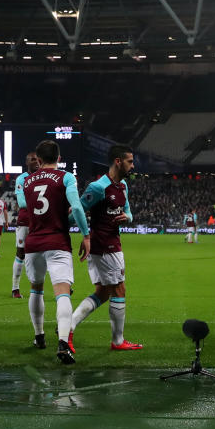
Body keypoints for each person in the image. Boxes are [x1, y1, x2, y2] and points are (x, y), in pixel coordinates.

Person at [22, 140, 90, 365]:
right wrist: (86, 235)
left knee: (36, 289)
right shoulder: (66, 177)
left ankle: (39, 336)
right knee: (62, 292)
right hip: (57, 242)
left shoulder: (27, 181)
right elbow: (77, 207)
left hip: (33, 243)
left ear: (39, 160)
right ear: (59, 158)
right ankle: (62, 343)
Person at [70, 144, 143, 351]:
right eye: (129, 161)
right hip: (105, 245)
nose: (133, 165)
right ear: (118, 162)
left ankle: (69, 325)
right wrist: (84, 235)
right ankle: (118, 341)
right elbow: (77, 210)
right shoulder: (98, 187)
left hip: (110, 243)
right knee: (119, 289)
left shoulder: (123, 187)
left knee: (102, 292)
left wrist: (126, 217)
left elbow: (129, 212)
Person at [11, 152, 39, 298]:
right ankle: (15, 288)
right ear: (26, 163)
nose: (36, 161)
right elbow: (22, 203)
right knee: (21, 253)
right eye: (32, 160)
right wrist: (41, 203)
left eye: (37, 159)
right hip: (26, 221)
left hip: (42, 220)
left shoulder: (44, 176)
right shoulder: (22, 178)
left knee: (48, 251)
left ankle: (61, 285)